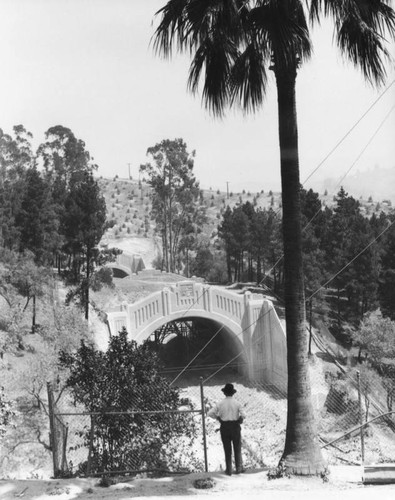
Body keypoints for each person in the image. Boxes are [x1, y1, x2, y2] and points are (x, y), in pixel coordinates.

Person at [207, 383, 245, 476]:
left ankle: (229, 470)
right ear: (233, 393)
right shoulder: (237, 403)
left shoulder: (220, 403)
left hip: (224, 427)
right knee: (237, 447)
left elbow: (210, 413)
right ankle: (239, 468)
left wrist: (218, 418)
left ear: (224, 393)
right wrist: (240, 419)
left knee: (227, 448)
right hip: (235, 426)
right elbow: (244, 415)